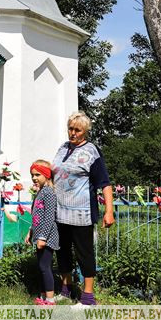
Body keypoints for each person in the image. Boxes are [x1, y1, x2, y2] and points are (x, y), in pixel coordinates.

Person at [52, 111, 114, 306]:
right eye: (70, 129)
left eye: (77, 130)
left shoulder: (91, 152)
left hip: (82, 214)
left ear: (85, 131)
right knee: (62, 251)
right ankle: (66, 289)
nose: (73, 133)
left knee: (84, 253)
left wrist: (109, 211)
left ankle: (87, 298)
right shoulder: (63, 148)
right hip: (60, 211)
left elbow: (104, 183)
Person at [24, 159, 59, 306]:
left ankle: (50, 300)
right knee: (42, 267)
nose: (34, 178)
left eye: (37, 174)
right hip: (39, 236)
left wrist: (43, 237)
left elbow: (50, 217)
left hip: (48, 237)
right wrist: (30, 231)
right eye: (32, 175)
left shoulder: (49, 193)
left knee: (45, 267)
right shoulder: (40, 192)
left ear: (46, 175)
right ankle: (44, 296)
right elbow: (37, 215)